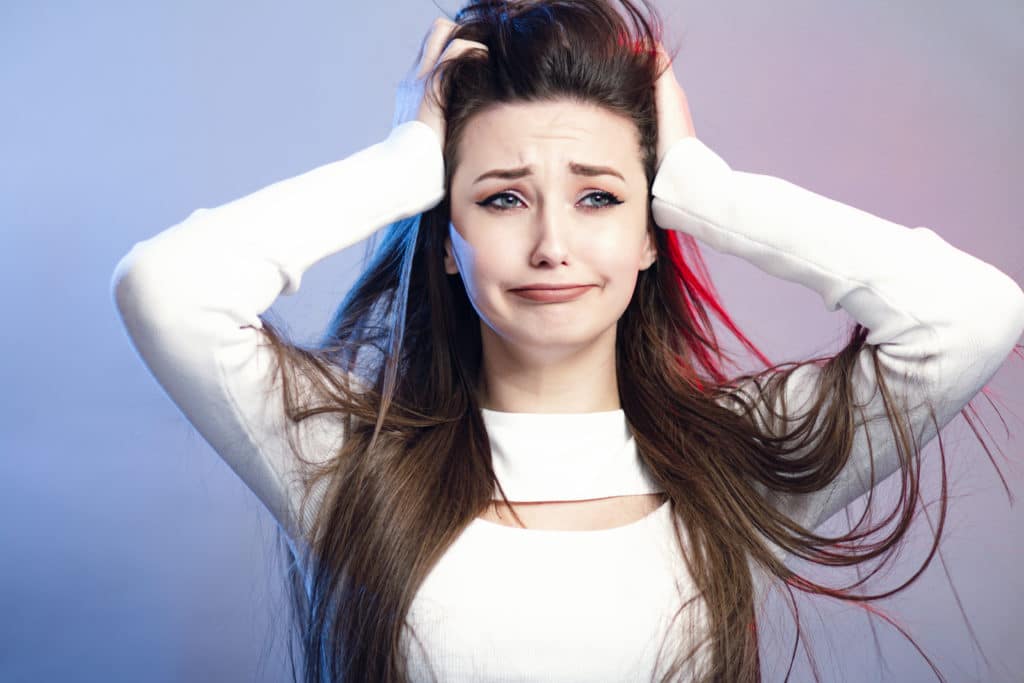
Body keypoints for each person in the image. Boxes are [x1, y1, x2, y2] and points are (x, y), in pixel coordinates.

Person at [110, 1, 1024, 681]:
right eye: (502, 196)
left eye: (599, 197)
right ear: (445, 241)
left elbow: (971, 315)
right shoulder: (353, 462)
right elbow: (167, 288)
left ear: (651, 233)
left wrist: (704, 185)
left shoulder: (738, 464)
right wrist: (401, 163)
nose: (552, 244)